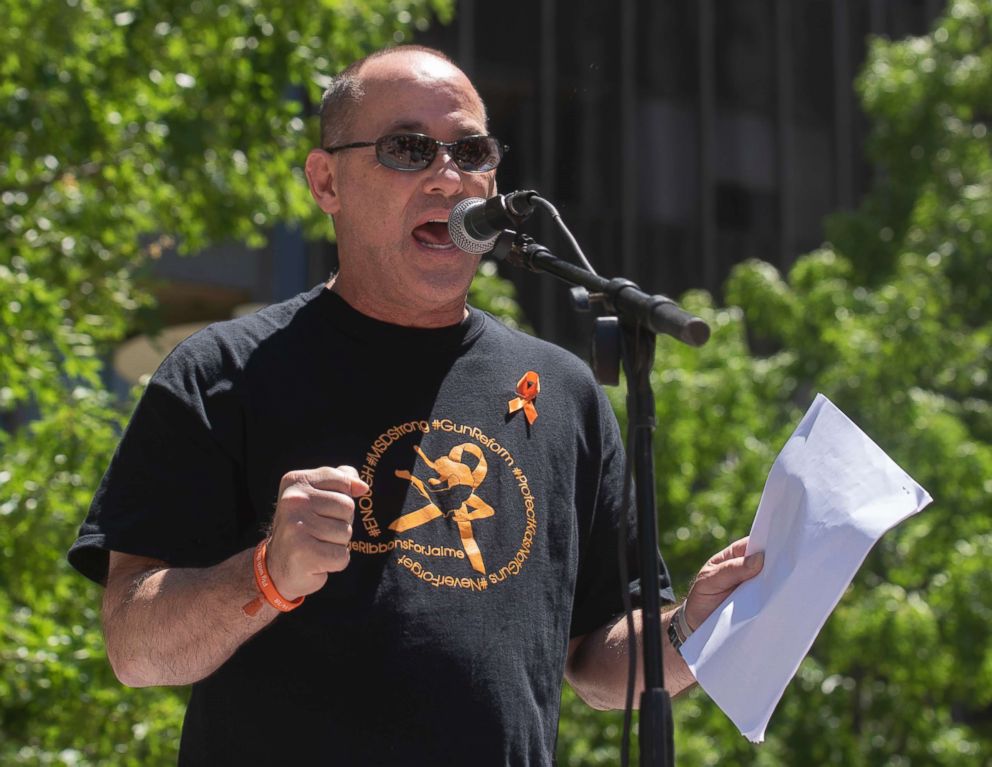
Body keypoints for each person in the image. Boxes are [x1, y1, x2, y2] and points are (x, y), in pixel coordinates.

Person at [68, 45, 763, 765]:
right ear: (326, 181)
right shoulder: (223, 371)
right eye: (408, 149)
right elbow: (135, 646)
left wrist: (693, 630)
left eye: (471, 150)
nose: (448, 175)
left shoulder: (564, 391)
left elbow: (595, 658)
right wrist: (266, 572)